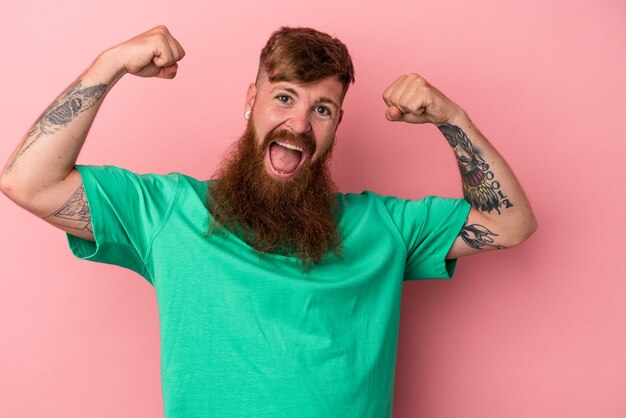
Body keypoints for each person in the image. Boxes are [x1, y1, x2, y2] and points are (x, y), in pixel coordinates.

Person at [0, 25, 536, 417]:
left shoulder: (384, 227)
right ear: (251, 101)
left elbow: (510, 223)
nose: (299, 124)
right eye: (284, 98)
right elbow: (29, 182)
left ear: (336, 125)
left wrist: (452, 120)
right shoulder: (166, 212)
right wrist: (110, 64)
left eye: (322, 109)